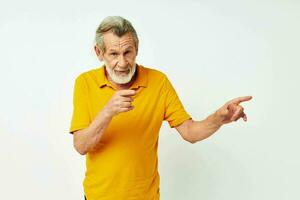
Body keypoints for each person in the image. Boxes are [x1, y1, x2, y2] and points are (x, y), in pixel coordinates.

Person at [69, 16, 252, 200]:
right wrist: (108, 112)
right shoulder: (85, 83)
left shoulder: (158, 82)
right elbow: (81, 145)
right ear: (99, 53)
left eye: (128, 52)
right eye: (114, 54)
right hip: (98, 196)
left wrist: (219, 118)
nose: (123, 63)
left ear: (137, 50)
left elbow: (190, 132)